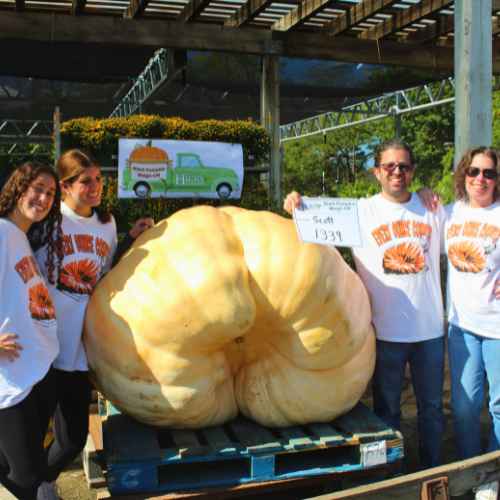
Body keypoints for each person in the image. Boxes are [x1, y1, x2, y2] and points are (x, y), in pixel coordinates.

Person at [284, 139, 445, 469]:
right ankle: (392, 474)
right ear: (377, 172)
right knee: (387, 408)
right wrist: (295, 203)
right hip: (383, 331)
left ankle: (434, 468)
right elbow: (312, 219)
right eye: (389, 166)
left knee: (431, 407)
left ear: (413, 171)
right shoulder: (359, 212)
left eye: (404, 166)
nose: (396, 172)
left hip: (429, 331)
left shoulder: (432, 209)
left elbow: (475, 230)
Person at [35, 149, 153, 498]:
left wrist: (131, 238)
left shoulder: (107, 224)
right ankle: (36, 485)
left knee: (72, 436)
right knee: (28, 431)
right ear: (65, 185)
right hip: (42, 339)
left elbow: (107, 272)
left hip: (80, 342)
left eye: (99, 180)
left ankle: (43, 478)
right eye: (86, 181)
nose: (96, 187)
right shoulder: (46, 220)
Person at [0, 162, 63, 499]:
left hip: (32, 370)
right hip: (9, 379)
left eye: (50, 193)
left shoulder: (19, 237)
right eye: (37, 188)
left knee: (20, 468)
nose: (43, 198)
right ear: (19, 188)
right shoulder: (0, 233)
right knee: (26, 474)